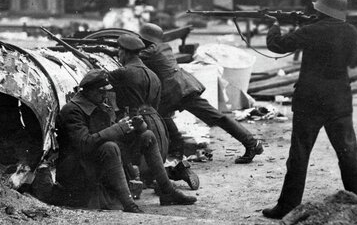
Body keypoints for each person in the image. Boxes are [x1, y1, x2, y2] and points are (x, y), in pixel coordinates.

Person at [261, 0, 357, 219]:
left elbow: (277, 45)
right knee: (348, 154)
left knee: (299, 155)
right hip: (339, 101)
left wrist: (274, 25)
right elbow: (351, 59)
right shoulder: (351, 32)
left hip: (310, 101)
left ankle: (287, 206)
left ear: (320, 9)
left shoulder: (310, 31)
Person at [53, 69, 196, 213]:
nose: (104, 96)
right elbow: (84, 144)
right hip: (78, 170)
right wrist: (118, 129)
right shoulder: (72, 110)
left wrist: (135, 128)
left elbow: (109, 134)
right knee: (110, 147)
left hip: (97, 161)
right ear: (88, 91)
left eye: (106, 92)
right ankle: (129, 204)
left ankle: (167, 191)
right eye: (101, 92)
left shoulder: (99, 105)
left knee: (147, 136)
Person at [138, 23, 265, 164]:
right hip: (182, 89)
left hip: (177, 92)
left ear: (145, 40)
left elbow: (134, 55)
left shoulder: (152, 50)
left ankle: (252, 144)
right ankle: (177, 148)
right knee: (163, 115)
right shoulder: (163, 47)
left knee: (216, 118)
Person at [108, 34, 199, 190]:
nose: (118, 55)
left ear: (126, 52)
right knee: (152, 164)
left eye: (119, 51)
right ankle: (173, 172)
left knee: (117, 149)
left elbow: (97, 81)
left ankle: (164, 176)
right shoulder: (154, 75)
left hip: (138, 122)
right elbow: (156, 104)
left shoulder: (123, 72)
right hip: (158, 124)